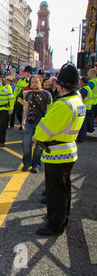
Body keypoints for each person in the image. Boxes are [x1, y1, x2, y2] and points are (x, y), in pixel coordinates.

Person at [33, 63, 85, 236]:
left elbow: (46, 128)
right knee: (64, 188)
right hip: (68, 150)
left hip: (57, 152)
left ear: (62, 85)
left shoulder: (64, 104)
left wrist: (37, 136)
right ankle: (63, 217)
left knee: (55, 191)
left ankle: (55, 224)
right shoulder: (77, 100)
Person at [21, 75, 52, 173]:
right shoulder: (29, 94)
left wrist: (47, 123)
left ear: (40, 82)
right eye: (32, 82)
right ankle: (27, 163)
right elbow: (26, 107)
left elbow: (49, 110)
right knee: (26, 143)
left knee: (38, 146)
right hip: (29, 122)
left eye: (36, 82)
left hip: (41, 123)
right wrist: (24, 119)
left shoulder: (46, 94)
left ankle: (36, 164)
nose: (33, 84)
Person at [13, 66, 32, 130]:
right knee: (18, 112)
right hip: (20, 100)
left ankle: (25, 124)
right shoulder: (20, 81)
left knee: (28, 114)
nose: (23, 73)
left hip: (29, 101)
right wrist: (15, 99)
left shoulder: (32, 80)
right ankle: (22, 123)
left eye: (25, 72)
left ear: (28, 72)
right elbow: (16, 90)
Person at [77, 77, 93, 143]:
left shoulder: (83, 89)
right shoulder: (88, 88)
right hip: (89, 107)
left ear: (82, 81)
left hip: (84, 108)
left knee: (82, 124)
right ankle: (84, 136)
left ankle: (81, 138)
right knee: (86, 123)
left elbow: (80, 99)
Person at [85, 68, 97, 137]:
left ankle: (90, 130)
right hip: (96, 101)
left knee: (90, 117)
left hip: (92, 102)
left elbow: (87, 89)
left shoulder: (92, 82)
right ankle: (92, 130)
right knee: (92, 117)